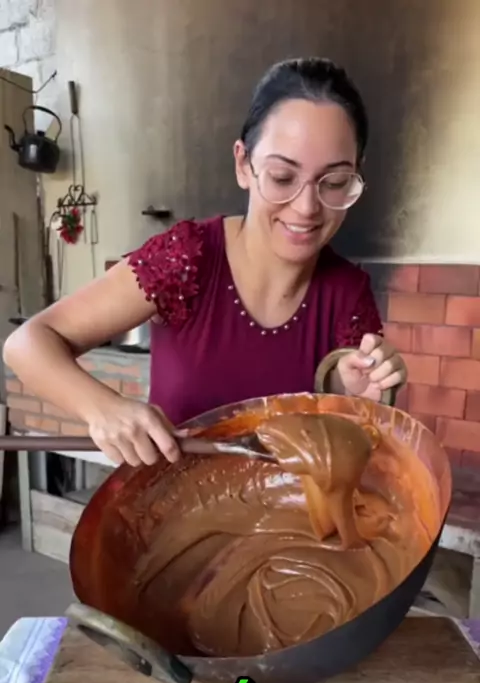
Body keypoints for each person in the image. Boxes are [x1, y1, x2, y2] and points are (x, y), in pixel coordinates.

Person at [3, 57, 406, 468]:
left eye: (334, 183)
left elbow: (341, 396)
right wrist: (104, 408)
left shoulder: (348, 290)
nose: (306, 208)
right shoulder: (189, 258)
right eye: (282, 177)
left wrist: (356, 389)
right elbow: (28, 343)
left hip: (293, 505)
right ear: (243, 165)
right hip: (173, 503)